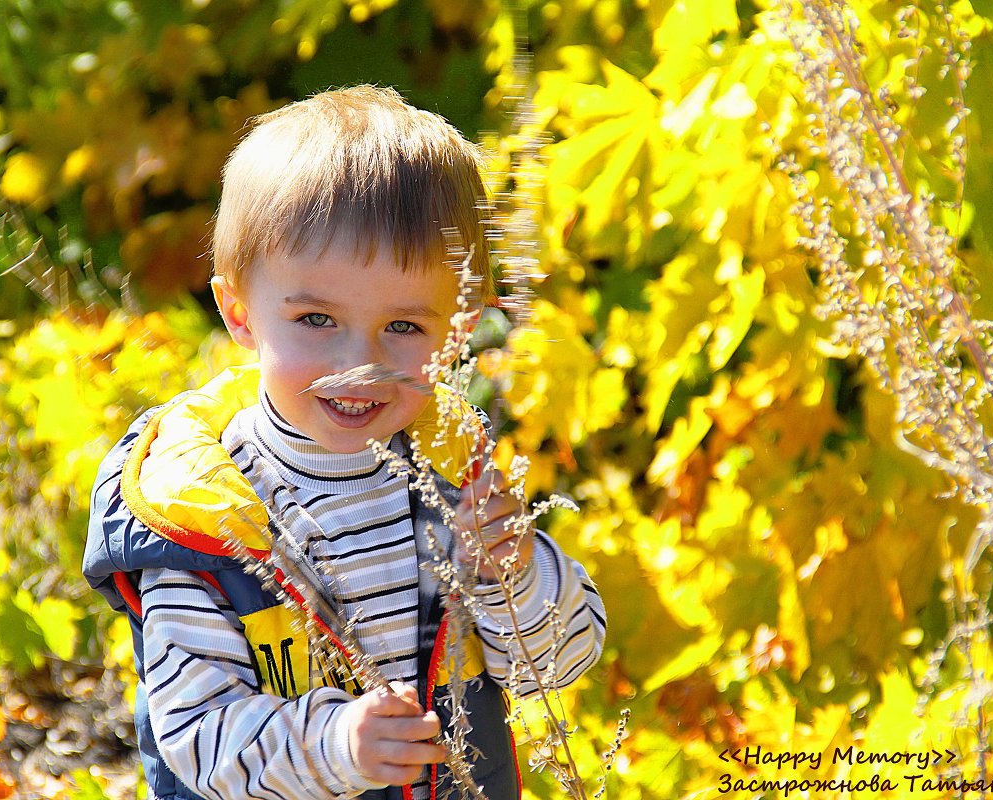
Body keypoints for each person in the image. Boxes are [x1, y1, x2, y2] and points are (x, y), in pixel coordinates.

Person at [83, 85, 606, 800]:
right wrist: (335, 747)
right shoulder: (205, 514)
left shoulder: (454, 477)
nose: (358, 364)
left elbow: (558, 666)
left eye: (403, 328)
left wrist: (511, 576)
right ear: (239, 313)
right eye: (317, 320)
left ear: (458, 329)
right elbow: (196, 734)